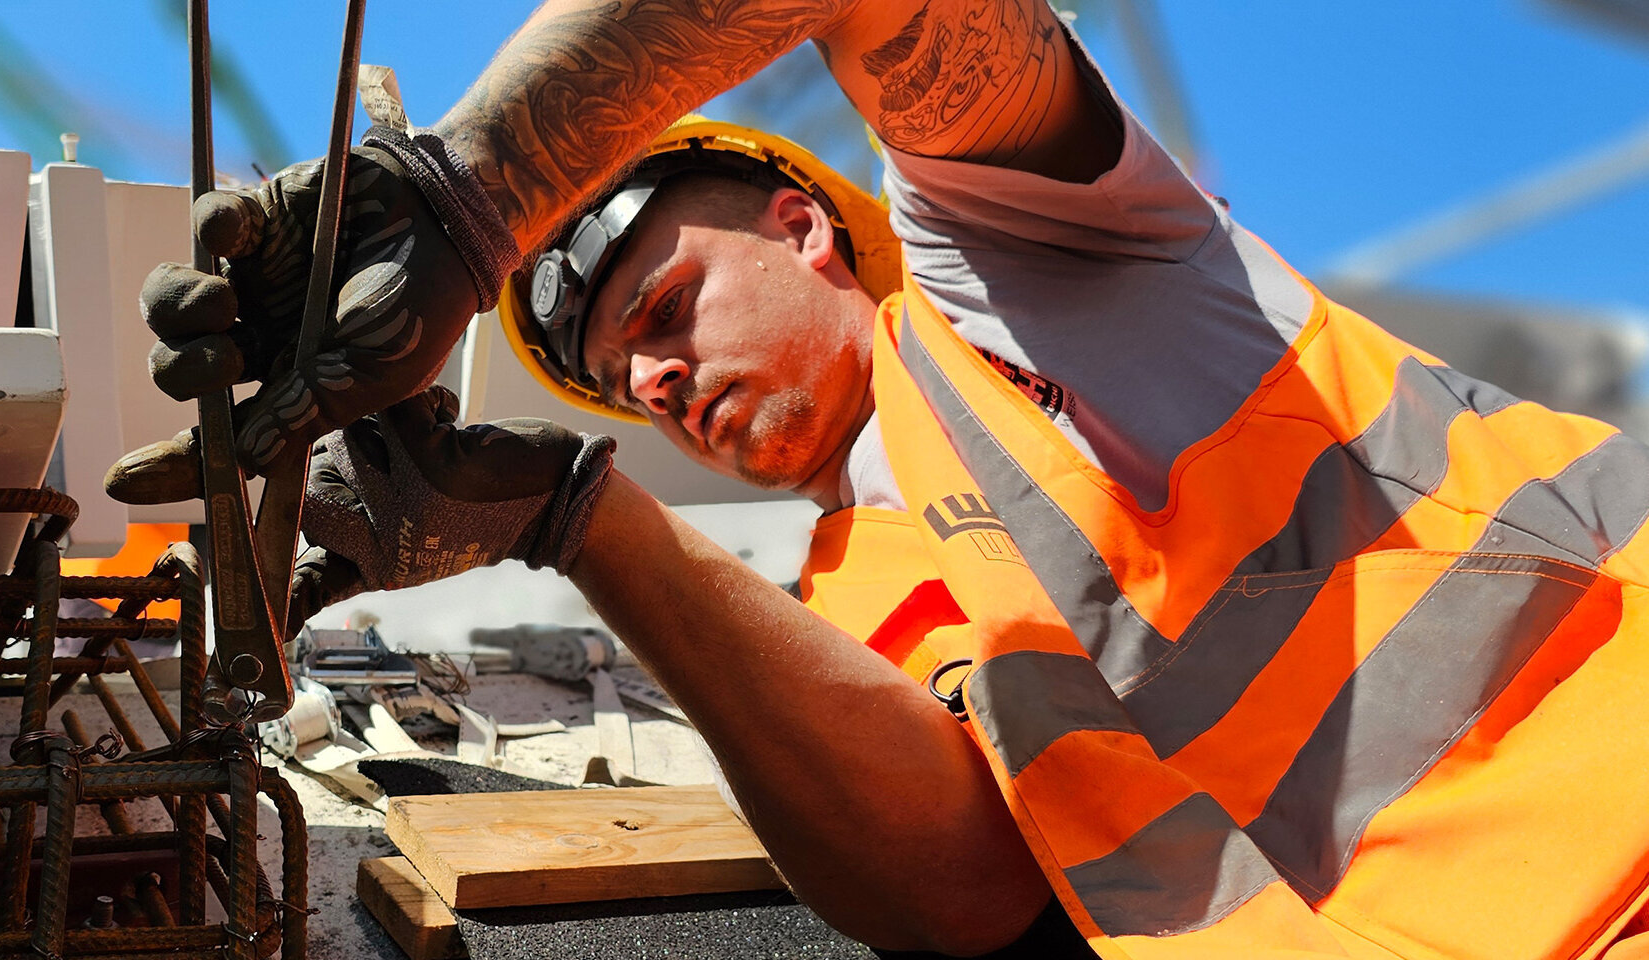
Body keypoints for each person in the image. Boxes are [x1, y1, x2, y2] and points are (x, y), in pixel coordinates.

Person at [108, 1, 1649, 957]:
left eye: (664, 312)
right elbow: (962, 896)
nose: (652, 382)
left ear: (803, 228)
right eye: (619, 383)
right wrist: (577, 520)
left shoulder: (1034, 279)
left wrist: (474, 192)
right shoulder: (838, 598)